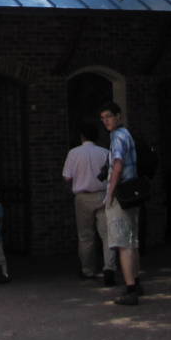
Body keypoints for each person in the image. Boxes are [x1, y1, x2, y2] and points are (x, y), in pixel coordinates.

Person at [99, 103, 142, 307]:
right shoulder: (127, 135)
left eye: (108, 116)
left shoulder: (117, 137)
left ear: (118, 116)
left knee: (123, 243)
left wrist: (110, 192)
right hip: (132, 193)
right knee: (132, 241)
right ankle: (136, 281)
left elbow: (117, 164)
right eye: (103, 118)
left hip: (121, 194)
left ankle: (130, 288)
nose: (106, 121)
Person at [61, 122, 110, 279]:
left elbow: (67, 177)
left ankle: (87, 269)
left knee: (85, 236)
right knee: (107, 234)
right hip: (103, 194)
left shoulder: (73, 153)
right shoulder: (105, 152)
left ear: (81, 136)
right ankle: (109, 267)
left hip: (82, 196)